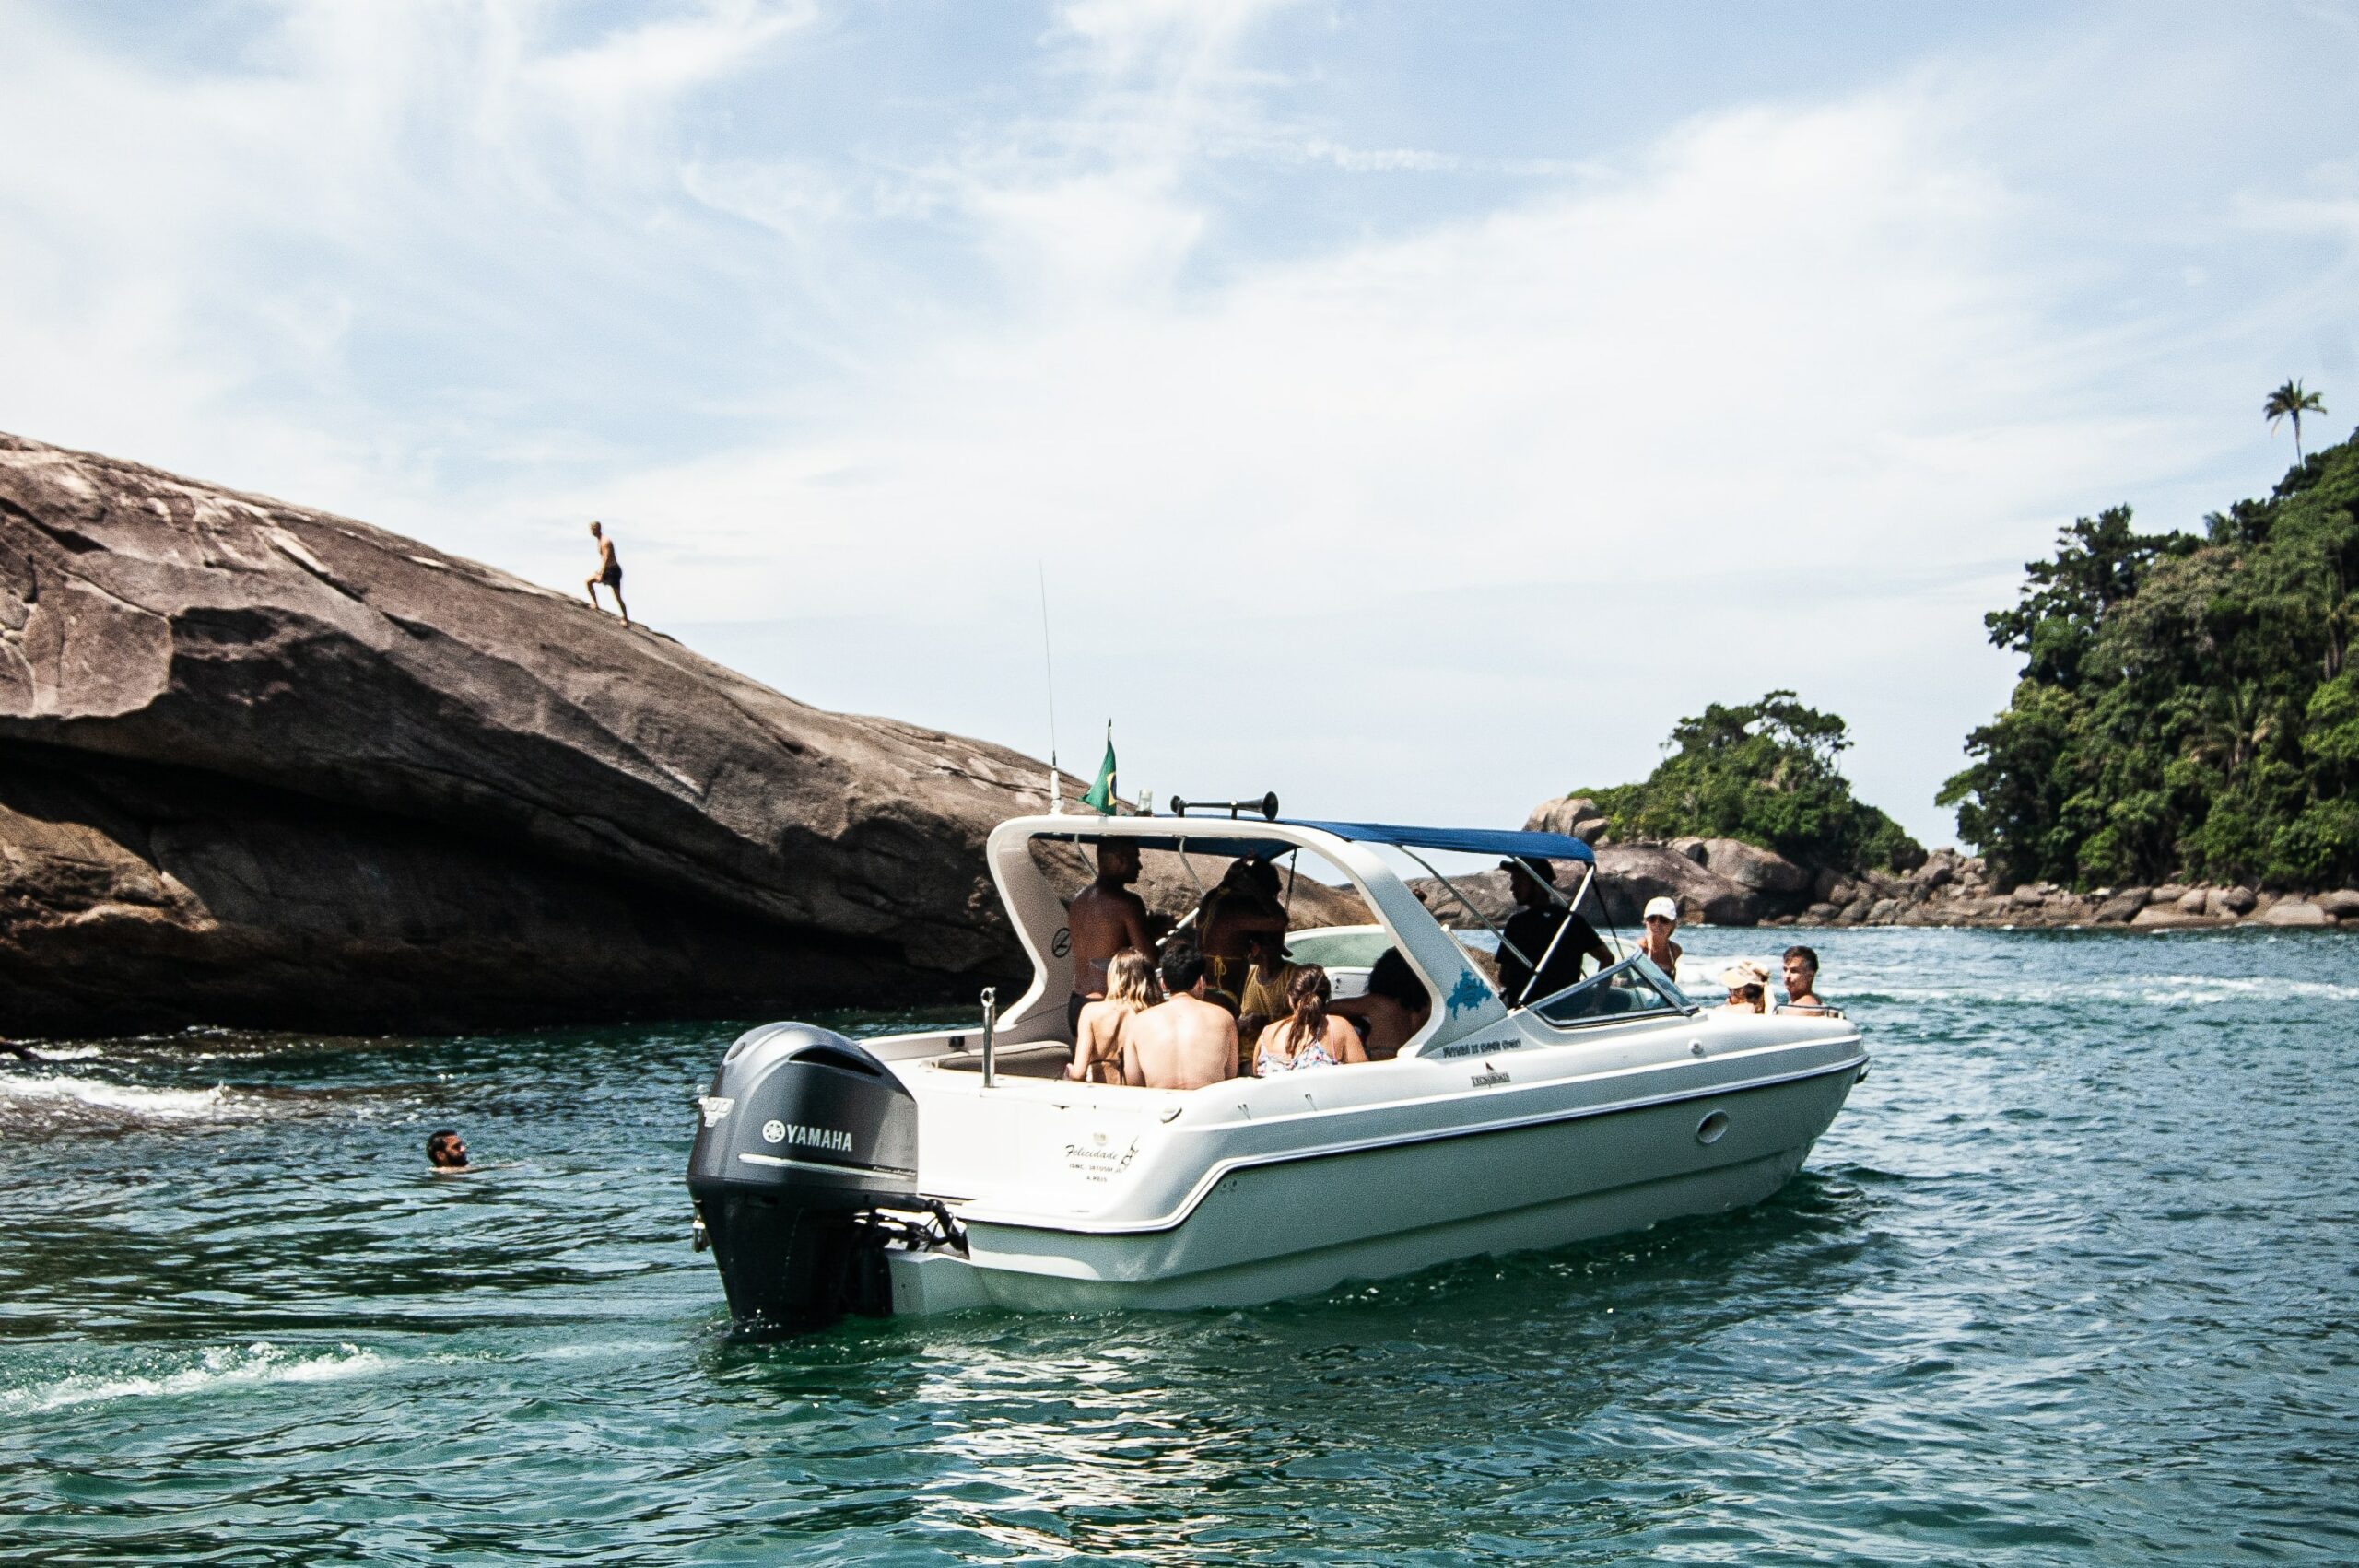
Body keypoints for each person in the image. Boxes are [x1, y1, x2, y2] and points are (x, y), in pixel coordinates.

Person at [1121, 944, 1239, 1090]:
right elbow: (1230, 1077)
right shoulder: (1223, 1018)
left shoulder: (1139, 1022)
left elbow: (1134, 1083)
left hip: (1161, 1108)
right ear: (1201, 982)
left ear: (1163, 984)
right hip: (1207, 1106)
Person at [1496, 860, 1614, 1006]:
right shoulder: (1572, 921)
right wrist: (1597, 1004)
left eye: (1519, 882)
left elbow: (1503, 977)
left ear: (1538, 883)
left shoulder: (1517, 924)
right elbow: (1607, 958)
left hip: (1526, 1015)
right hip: (1564, 1013)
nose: (1512, 888)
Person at [1067, 840, 1154, 1037]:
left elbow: (1103, 940)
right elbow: (1148, 957)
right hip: (1106, 1006)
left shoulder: (1079, 900)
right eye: (1135, 858)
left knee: (1087, 1065)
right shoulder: (1128, 904)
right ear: (1119, 859)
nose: (1139, 865)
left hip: (1077, 1001)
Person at [1193, 859, 1286, 1009]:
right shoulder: (1234, 907)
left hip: (1205, 990)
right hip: (1220, 995)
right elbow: (1279, 921)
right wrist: (1260, 892)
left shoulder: (1214, 897)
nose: (1273, 899)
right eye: (1273, 894)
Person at [1254, 965, 1368, 1074]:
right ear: (1325, 998)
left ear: (1289, 998)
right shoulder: (1338, 1027)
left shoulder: (1267, 1033)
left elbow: (1256, 1079)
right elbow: (1364, 1079)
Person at [1068, 948, 1156, 1082]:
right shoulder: (1148, 1014)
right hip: (1136, 1093)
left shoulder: (1090, 1012)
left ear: (1113, 976)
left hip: (1102, 1094)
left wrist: (1069, 1071)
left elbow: (1078, 1073)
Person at [1331, 947, 1432, 1060]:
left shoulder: (1377, 1003)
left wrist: (1361, 1024)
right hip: (1416, 1057)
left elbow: (1330, 1007)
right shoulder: (1428, 1006)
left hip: (1382, 1056)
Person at [1237, 930, 1303, 1021]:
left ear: (1265, 948)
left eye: (1250, 945)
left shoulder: (1296, 976)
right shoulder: (1248, 976)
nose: (1245, 950)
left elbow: (1306, 1018)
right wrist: (1243, 1023)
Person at [584, 521, 629, 626]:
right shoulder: (600, 540)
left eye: (592, 529)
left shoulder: (605, 541)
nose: (591, 531)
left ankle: (625, 619)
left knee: (617, 596)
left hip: (613, 571)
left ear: (597, 529)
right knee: (588, 582)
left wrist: (601, 574)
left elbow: (606, 558)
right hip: (607, 569)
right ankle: (596, 604)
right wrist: (600, 571)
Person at [1636, 895, 1684, 979]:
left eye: (1663, 919)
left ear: (1673, 924)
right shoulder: (1638, 949)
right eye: (1652, 919)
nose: (1657, 924)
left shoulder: (1675, 951)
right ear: (1646, 922)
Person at [1781, 945, 1826, 1012]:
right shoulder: (1814, 1000)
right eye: (1785, 970)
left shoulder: (1803, 1008)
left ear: (1810, 975)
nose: (1787, 976)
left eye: (1794, 971)